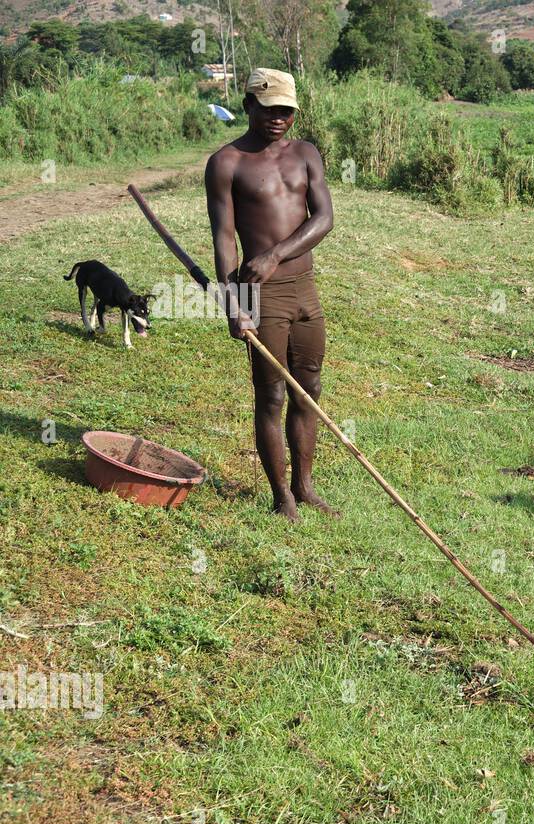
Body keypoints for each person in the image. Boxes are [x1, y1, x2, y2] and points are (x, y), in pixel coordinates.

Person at [205, 67, 336, 521]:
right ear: (248, 107)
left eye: (286, 111)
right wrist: (232, 304)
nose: (278, 118)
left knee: (310, 388)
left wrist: (276, 254)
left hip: (305, 288)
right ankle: (281, 496)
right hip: (261, 296)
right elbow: (224, 238)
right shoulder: (227, 163)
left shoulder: (305, 154)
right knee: (272, 395)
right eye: (269, 109)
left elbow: (323, 219)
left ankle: (305, 486)